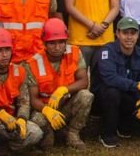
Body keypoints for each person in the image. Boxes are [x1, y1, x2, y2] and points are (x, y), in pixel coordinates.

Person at [0, 28, 44, 152]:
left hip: (9, 121)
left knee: (35, 133)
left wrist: (22, 118)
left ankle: (3, 149)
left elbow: (24, 102)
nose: (4, 55)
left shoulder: (19, 71)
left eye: (7, 50)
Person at [26, 19, 94, 149]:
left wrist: (64, 89)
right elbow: (33, 99)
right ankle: (52, 133)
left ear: (66, 41)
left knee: (86, 96)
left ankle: (72, 133)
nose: (57, 47)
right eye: (52, 43)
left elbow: (84, 81)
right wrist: (46, 110)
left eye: (61, 42)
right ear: (44, 43)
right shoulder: (33, 63)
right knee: (46, 143)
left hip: (66, 103)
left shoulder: (75, 52)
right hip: (45, 108)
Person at [95, 17, 140, 148]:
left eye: (133, 33)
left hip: (128, 95)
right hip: (104, 97)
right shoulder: (107, 51)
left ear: (138, 35)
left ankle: (124, 126)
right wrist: (136, 86)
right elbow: (110, 78)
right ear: (117, 33)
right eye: (125, 33)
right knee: (112, 93)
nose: (129, 37)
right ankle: (107, 133)